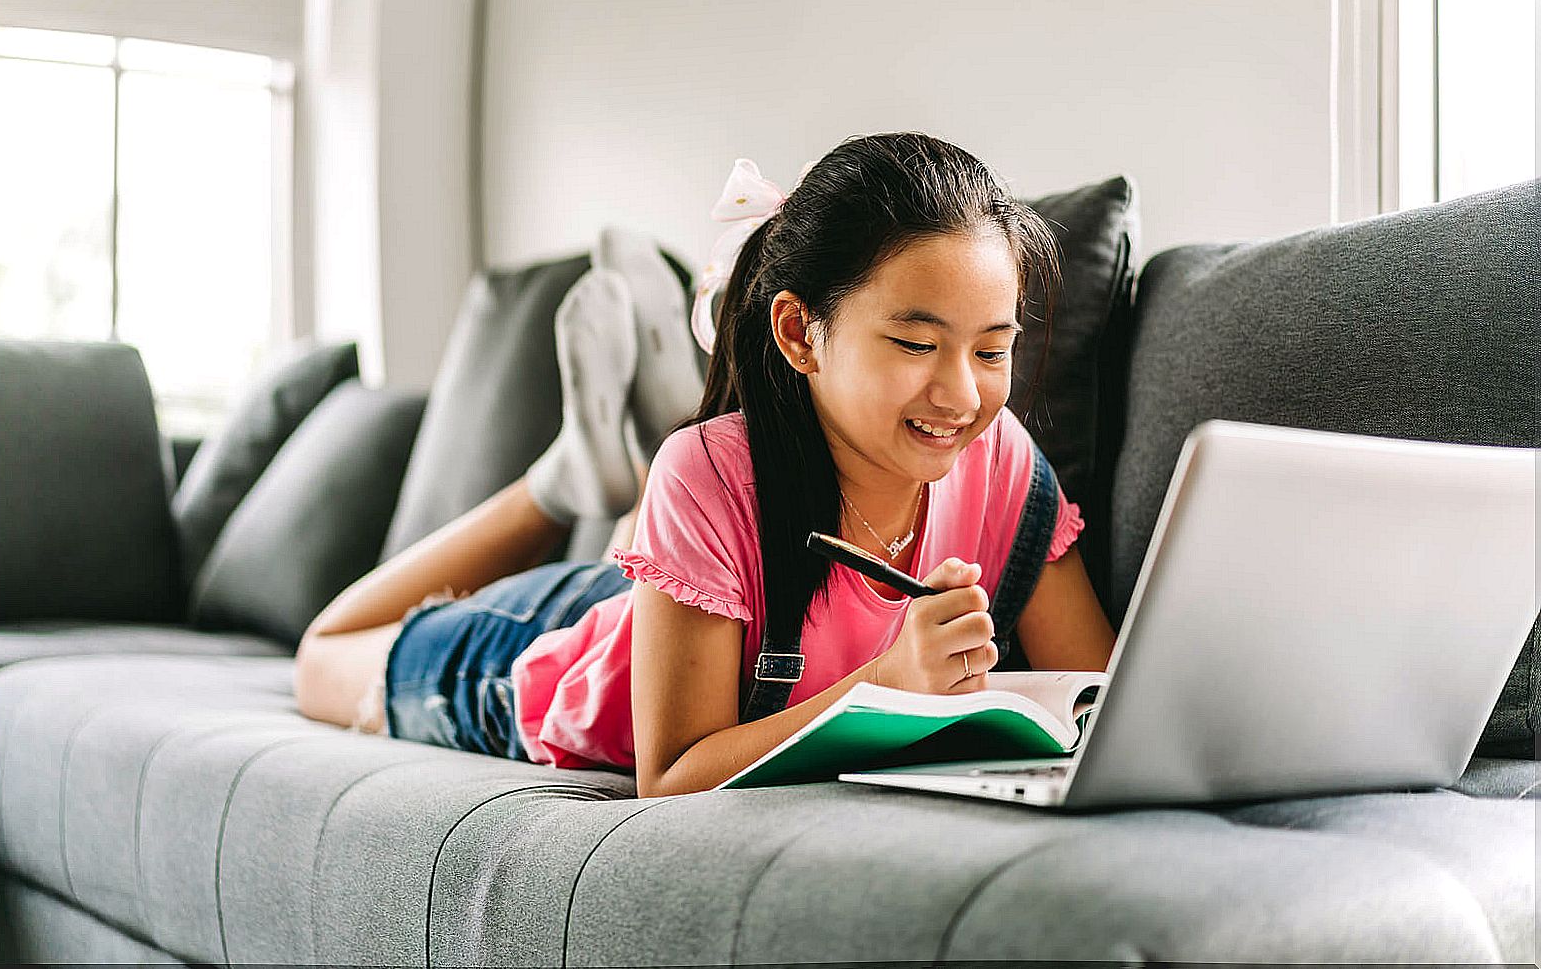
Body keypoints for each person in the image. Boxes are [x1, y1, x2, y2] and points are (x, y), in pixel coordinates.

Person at [293, 132, 1117, 797]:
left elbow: (1099, 696)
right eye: (915, 343)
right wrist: (886, 685)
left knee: (684, 493)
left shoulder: (998, 455)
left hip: (686, 592)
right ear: (799, 334)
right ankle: (563, 480)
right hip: (560, 653)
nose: (961, 391)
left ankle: (618, 489)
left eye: (992, 348)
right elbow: (672, 772)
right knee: (323, 655)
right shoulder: (711, 475)